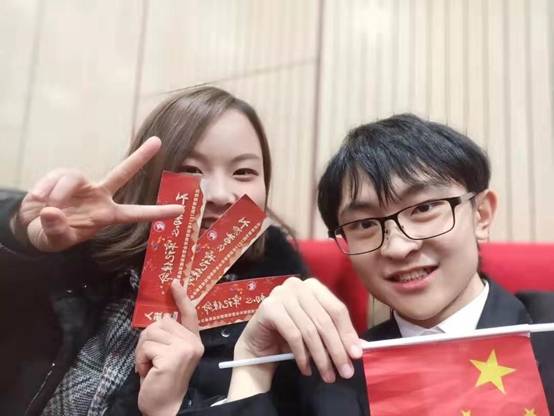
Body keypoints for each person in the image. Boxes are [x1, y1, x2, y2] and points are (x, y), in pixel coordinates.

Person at [186, 114, 554, 415]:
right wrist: (251, 365)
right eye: (364, 224)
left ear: (482, 215)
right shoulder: (329, 377)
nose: (398, 246)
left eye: (424, 208)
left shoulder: (546, 331)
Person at [0, 86, 307, 416]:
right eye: (192, 169)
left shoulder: (282, 307)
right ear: (147, 176)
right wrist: (20, 237)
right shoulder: (83, 257)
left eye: (244, 172)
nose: (220, 194)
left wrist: (175, 408)